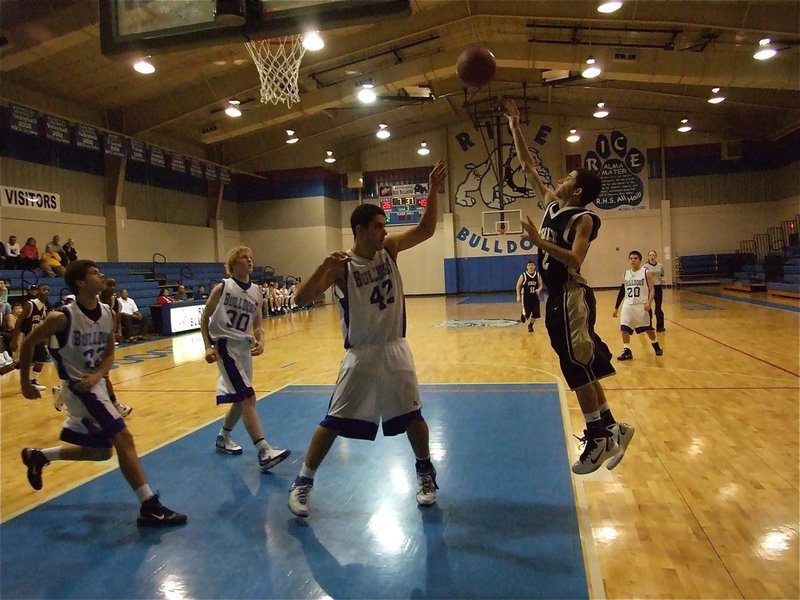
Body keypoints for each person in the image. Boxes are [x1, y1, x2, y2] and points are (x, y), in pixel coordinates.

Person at [287, 160, 447, 518]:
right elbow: (300, 299)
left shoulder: (389, 250)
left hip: (394, 349)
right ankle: (302, 482)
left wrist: (433, 189)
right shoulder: (342, 266)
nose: (383, 232)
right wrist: (321, 268)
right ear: (359, 230)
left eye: (383, 227)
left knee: (413, 418)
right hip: (360, 354)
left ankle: (425, 473)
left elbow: (426, 228)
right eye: (377, 227)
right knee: (331, 422)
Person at [505, 99, 633, 474]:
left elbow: (575, 259)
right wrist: (515, 126)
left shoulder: (585, 219)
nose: (559, 181)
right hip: (557, 297)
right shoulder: (551, 205)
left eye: (567, 180)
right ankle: (611, 428)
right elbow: (528, 165)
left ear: (576, 191)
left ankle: (598, 438)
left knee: (576, 367)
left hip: (571, 295)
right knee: (580, 364)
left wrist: (537, 241)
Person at [17, 259, 187, 527]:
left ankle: (39, 456)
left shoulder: (107, 312)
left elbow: (109, 353)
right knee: (125, 437)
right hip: (79, 388)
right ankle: (149, 506)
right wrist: (25, 383)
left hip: (95, 385)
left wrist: (99, 374)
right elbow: (27, 343)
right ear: (80, 282)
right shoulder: (61, 317)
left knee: (101, 453)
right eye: (95, 273)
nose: (101, 275)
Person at [201, 246, 290, 472]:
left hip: (244, 347)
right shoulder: (223, 287)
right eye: (244, 257)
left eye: (251, 257)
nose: (249, 261)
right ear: (233, 263)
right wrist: (207, 346)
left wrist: (261, 341)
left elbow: (258, 324)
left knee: (242, 401)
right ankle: (263, 450)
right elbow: (204, 318)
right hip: (225, 346)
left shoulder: (257, 291)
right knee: (248, 397)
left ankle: (223, 438)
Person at [613, 251, 664, 360]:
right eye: (631, 258)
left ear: (640, 260)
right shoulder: (626, 274)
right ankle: (627, 351)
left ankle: (656, 345)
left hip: (641, 305)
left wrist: (649, 302)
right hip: (628, 305)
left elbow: (652, 289)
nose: (633, 260)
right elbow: (622, 292)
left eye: (635, 258)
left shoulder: (646, 272)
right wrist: (616, 308)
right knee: (624, 327)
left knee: (648, 330)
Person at [10, 283, 50, 391]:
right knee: (18, 363)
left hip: (36, 337)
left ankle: (32, 381)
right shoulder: (30, 304)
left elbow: (40, 324)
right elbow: (19, 321)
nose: (46, 291)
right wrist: (14, 339)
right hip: (25, 336)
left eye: (47, 290)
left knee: (41, 358)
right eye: (43, 289)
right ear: (37, 291)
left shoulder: (44, 306)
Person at [515, 259, 542, 333]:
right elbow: (518, 285)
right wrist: (518, 295)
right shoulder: (523, 275)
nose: (530, 266)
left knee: (536, 314)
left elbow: (540, 285)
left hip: (535, 297)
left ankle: (530, 325)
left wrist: (539, 290)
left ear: (534, 266)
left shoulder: (537, 275)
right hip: (526, 297)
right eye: (529, 265)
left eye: (532, 265)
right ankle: (523, 314)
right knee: (526, 315)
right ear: (527, 266)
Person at [646, 250, 666, 332]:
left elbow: (662, 275)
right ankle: (648, 326)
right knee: (648, 307)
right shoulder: (645, 266)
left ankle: (660, 327)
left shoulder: (660, 266)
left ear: (656, 256)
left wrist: (662, 282)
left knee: (658, 307)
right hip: (649, 288)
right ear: (648, 256)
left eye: (653, 255)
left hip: (658, 287)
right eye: (650, 255)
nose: (652, 256)